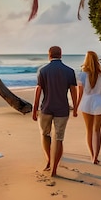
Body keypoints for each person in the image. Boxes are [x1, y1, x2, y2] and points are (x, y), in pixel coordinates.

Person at [32, 46, 78, 177]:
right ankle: (54, 168)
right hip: (62, 109)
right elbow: (73, 91)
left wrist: (35, 109)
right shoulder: (69, 71)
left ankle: (48, 160)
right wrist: (75, 107)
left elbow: (38, 91)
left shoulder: (43, 70)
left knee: (45, 135)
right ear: (61, 54)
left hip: (46, 108)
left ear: (49, 55)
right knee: (59, 138)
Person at [74, 51, 101, 164]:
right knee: (97, 130)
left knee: (89, 130)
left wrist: (76, 107)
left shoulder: (82, 74)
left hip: (86, 103)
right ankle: (96, 156)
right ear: (96, 60)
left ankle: (91, 155)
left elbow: (79, 94)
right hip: (99, 103)